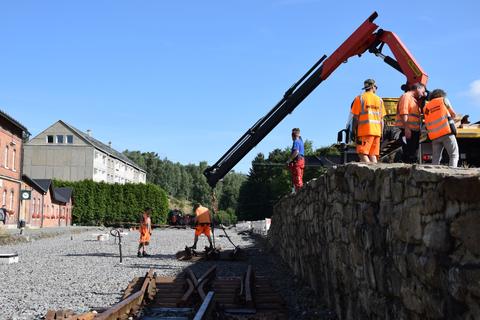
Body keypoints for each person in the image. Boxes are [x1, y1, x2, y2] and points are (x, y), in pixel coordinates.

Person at [350, 79, 385, 163]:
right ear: (372, 87)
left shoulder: (360, 98)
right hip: (376, 132)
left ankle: (369, 175)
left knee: (362, 154)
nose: (376, 89)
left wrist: (353, 131)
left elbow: (355, 117)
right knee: (373, 155)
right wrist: (381, 133)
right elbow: (382, 120)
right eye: (376, 87)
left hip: (365, 132)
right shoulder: (379, 100)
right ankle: (376, 175)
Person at [423, 89, 459, 167]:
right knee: (453, 155)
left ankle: (433, 176)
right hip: (446, 133)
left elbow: (427, 120)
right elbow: (453, 114)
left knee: (436, 158)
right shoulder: (443, 100)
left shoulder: (426, 107)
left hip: (434, 136)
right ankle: (452, 176)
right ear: (442, 94)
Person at [395, 82, 426, 163]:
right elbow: (403, 113)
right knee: (409, 154)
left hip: (413, 131)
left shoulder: (413, 100)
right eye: (423, 92)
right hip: (408, 131)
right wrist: (407, 128)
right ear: (417, 88)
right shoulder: (406, 97)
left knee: (412, 155)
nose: (423, 94)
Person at [287, 128, 305, 192]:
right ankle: (300, 192)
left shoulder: (296, 141)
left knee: (297, 179)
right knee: (300, 178)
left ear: (293, 135)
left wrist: (289, 160)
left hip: (297, 161)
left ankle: (299, 195)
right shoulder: (301, 141)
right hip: (301, 160)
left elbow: (296, 152)